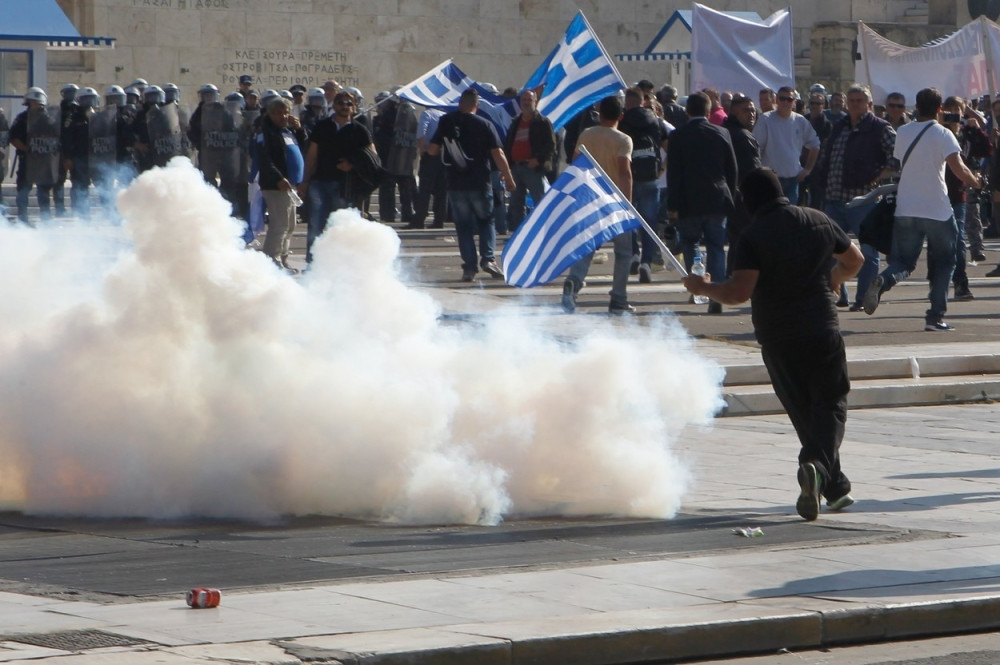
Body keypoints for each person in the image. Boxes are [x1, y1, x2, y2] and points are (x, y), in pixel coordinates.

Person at [683, 167, 864, 521]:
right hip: (821, 327)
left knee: (804, 412)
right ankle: (822, 474)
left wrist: (702, 288)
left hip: (778, 336)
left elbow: (738, 292)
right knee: (830, 404)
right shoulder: (819, 220)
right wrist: (835, 278)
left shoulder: (752, 236)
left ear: (749, 202)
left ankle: (833, 486)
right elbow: (854, 259)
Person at [862, 88, 983, 331]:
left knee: (904, 262)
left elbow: (900, 162)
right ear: (940, 109)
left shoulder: (903, 132)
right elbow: (959, 168)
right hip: (937, 208)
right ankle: (934, 317)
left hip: (906, 207)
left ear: (916, 107)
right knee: (945, 261)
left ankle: (884, 280)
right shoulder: (944, 133)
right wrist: (977, 182)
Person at [815, 83, 897, 311]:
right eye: (851, 101)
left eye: (859, 101)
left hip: (864, 199)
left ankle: (863, 299)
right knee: (829, 251)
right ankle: (836, 295)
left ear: (869, 104)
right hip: (834, 198)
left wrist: (878, 175)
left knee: (868, 253)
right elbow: (826, 156)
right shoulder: (839, 127)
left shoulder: (880, 128)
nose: (854, 105)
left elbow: (898, 155)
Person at [428, 88, 515, 281]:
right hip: (480, 182)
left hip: (455, 183)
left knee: (463, 226)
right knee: (486, 221)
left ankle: (469, 267)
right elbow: (497, 153)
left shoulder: (446, 121)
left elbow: (432, 150)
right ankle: (488, 259)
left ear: (460, 103)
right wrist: (508, 177)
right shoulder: (484, 123)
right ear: (477, 105)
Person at [559, 95, 634, 314]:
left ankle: (574, 282)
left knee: (587, 247)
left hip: (591, 200)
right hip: (615, 201)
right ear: (621, 116)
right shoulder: (623, 140)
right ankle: (618, 298)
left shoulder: (586, 134)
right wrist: (628, 203)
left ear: (599, 114)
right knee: (623, 252)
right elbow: (625, 173)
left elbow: (576, 164)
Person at [666, 91, 738, 314]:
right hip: (716, 199)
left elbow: (674, 174)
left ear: (687, 111)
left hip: (688, 201)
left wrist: (672, 206)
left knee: (691, 244)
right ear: (708, 111)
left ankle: (698, 289)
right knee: (716, 247)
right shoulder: (722, 133)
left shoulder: (678, 136)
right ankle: (716, 291)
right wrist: (730, 196)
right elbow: (732, 169)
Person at [298, 89, 374, 263]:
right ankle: (312, 263)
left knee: (340, 228)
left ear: (354, 107)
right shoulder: (322, 126)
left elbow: (372, 156)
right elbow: (312, 155)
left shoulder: (360, 130)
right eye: (341, 103)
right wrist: (305, 181)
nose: (345, 106)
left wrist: (352, 164)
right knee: (315, 225)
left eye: (349, 103)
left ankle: (337, 264)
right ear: (334, 105)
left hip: (345, 186)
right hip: (320, 183)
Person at [619, 87, 669, 282]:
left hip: (629, 176)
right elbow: (669, 147)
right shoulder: (655, 120)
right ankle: (647, 262)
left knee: (629, 219)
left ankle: (634, 254)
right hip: (650, 176)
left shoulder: (622, 121)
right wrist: (661, 168)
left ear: (628, 102)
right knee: (650, 222)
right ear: (643, 101)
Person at [257, 96, 306, 273]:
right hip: (275, 185)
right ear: (270, 114)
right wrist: (278, 178)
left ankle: (283, 258)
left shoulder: (287, 131)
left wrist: (299, 130)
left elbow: (303, 148)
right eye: (278, 113)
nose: (283, 116)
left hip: (291, 185)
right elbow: (264, 158)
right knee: (279, 224)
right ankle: (271, 258)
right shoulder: (265, 132)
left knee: (290, 224)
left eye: (286, 112)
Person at [754, 86, 820, 203]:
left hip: (793, 180)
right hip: (771, 180)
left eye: (789, 99)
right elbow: (756, 149)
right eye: (782, 98)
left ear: (794, 102)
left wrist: (807, 170)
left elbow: (815, 145)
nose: (785, 102)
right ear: (776, 100)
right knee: (771, 212)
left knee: (790, 213)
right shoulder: (765, 119)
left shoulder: (801, 121)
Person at [503, 89, 556, 234]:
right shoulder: (516, 121)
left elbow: (551, 146)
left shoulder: (543, 122)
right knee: (516, 204)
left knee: (540, 202)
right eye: (524, 100)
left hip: (533, 169)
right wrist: (506, 167)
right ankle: (519, 234)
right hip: (516, 168)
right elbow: (509, 144)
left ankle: (543, 232)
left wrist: (538, 160)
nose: (526, 103)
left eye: (529, 100)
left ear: (535, 102)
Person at [722, 93, 761, 275]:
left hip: (727, 196)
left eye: (753, 110)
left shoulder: (723, 132)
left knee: (736, 241)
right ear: (734, 113)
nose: (751, 114)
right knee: (747, 241)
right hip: (744, 198)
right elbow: (753, 171)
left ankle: (731, 276)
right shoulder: (743, 136)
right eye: (746, 111)